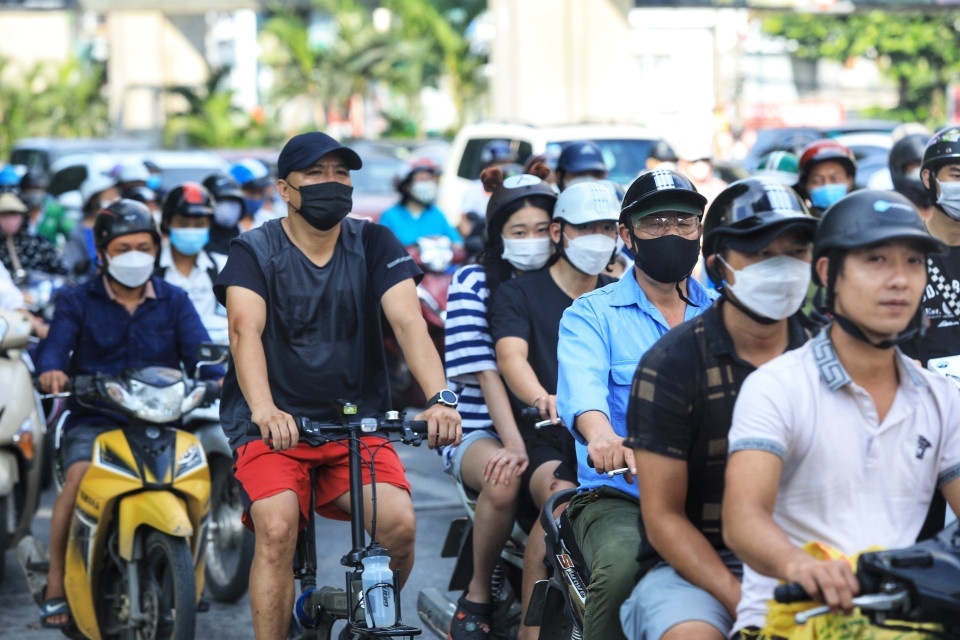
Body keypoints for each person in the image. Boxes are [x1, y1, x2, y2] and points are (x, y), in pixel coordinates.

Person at [214, 131, 461, 640]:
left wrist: (440, 397)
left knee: (399, 526)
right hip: (275, 427)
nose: (332, 183)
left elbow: (409, 323)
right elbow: (244, 331)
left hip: (353, 424)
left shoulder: (374, 242)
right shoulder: (253, 250)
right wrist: (264, 409)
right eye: (316, 173)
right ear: (285, 188)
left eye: (341, 173)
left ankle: (360, 628)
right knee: (277, 525)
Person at [722, 189, 960, 638]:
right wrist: (799, 565)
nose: (900, 280)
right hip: (791, 618)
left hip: (903, 619)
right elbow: (742, 516)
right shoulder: (777, 387)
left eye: (914, 262)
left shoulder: (942, 398)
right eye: (877, 260)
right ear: (829, 273)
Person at [619, 178, 818, 640]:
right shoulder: (672, 365)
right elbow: (665, 518)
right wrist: (744, 604)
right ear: (720, 265)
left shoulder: (825, 355)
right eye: (763, 255)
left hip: (815, 557)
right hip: (698, 567)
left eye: (795, 254)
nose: (782, 269)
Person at [36, 199, 223, 628]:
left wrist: (219, 377)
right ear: (101, 253)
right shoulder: (75, 300)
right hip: (95, 421)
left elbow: (202, 355)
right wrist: (51, 372)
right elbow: (53, 351)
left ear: (157, 249)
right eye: (123, 248)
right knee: (79, 477)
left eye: (144, 246)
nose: (135, 256)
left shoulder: (174, 300)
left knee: (196, 476)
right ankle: (56, 583)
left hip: (162, 421)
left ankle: (189, 578)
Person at [556, 169, 716, 640]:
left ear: (700, 230)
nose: (672, 233)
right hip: (620, 497)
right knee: (624, 567)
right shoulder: (591, 313)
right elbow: (583, 393)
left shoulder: (725, 312)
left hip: (718, 490)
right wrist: (602, 436)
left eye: (684, 222)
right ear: (626, 235)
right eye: (656, 222)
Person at [489, 179, 619, 640]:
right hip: (547, 432)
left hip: (616, 438)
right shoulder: (520, 294)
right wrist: (544, 397)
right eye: (587, 228)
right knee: (560, 507)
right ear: (560, 231)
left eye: (608, 227)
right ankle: (531, 630)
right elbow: (511, 358)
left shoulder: (618, 293)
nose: (598, 238)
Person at [442, 163, 555, 640]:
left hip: (547, 421)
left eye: (542, 229)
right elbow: (490, 373)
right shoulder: (473, 283)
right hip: (479, 428)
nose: (533, 239)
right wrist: (514, 444)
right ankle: (477, 595)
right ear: (499, 234)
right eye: (519, 230)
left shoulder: (568, 277)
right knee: (506, 475)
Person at [156, 182, 225, 319]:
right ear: (166, 223)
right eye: (183, 224)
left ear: (210, 225)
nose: (191, 230)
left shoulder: (223, 267)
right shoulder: (151, 269)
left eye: (199, 225)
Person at [379, 158, 463, 247]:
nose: (428, 184)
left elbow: (457, 243)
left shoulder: (437, 214)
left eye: (430, 180)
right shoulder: (390, 216)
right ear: (406, 185)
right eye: (422, 179)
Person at [459, 139, 519, 241]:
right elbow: (465, 226)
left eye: (508, 163)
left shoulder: (516, 188)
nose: (504, 168)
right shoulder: (474, 189)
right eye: (499, 163)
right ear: (488, 165)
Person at [62, 174, 120, 275]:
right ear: (94, 201)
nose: (116, 198)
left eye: (115, 193)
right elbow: (72, 267)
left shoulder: (121, 226)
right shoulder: (78, 233)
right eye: (110, 195)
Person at [0, 188, 66, 277]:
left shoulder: (41, 244)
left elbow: (65, 276)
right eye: (4, 214)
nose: (9, 219)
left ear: (24, 215)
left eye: (14, 213)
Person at [794, 139, 857, 216]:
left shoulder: (862, 218)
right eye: (817, 181)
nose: (827, 185)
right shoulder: (798, 223)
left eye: (835, 179)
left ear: (850, 181)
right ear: (805, 185)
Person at [20, 170, 74, 248]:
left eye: (38, 188)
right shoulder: (15, 211)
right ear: (23, 190)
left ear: (44, 190)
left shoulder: (55, 210)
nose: (35, 193)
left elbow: (71, 231)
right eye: (30, 188)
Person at [888, 133, 933, 220]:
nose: (923, 171)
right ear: (901, 169)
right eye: (916, 164)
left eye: (926, 164)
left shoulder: (945, 207)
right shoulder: (891, 207)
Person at [202, 172, 247, 256]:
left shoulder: (248, 242)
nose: (227, 207)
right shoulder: (197, 244)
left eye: (233, 200)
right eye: (221, 200)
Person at [229, 158, 280, 228]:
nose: (257, 198)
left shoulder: (268, 220)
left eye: (260, 192)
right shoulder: (226, 222)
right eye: (251, 192)